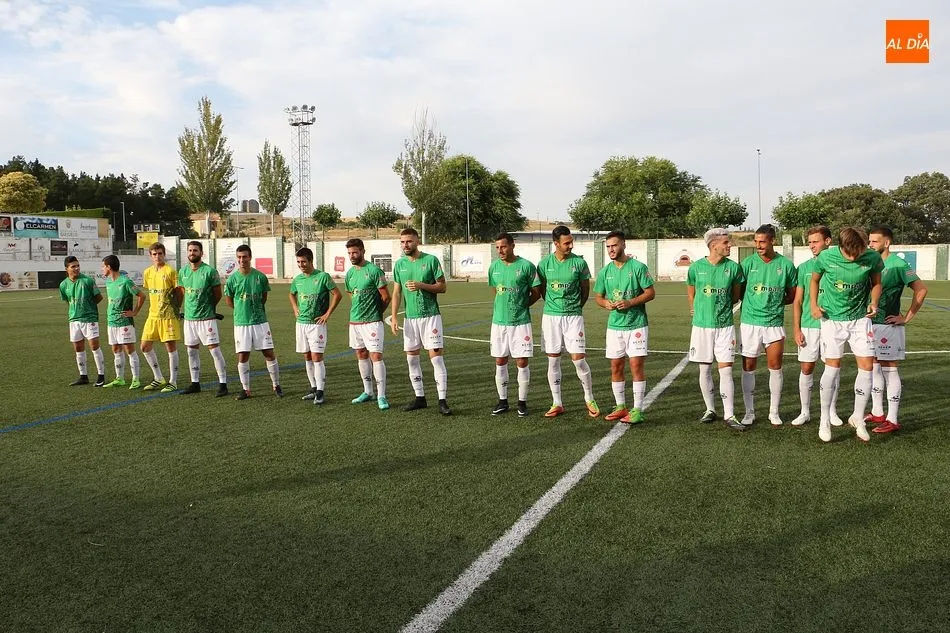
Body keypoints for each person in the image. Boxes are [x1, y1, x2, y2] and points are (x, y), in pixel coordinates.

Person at [810, 227, 884, 443]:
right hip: (832, 320)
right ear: (842, 247)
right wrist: (814, 306)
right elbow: (814, 280)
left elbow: (877, 282)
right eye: (852, 252)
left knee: (868, 368)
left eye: (860, 251)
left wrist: (874, 302)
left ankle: (858, 417)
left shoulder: (871, 257)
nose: (856, 256)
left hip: (860, 320)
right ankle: (824, 419)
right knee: (832, 369)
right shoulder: (826, 257)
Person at [866, 226, 928, 433]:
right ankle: (877, 412)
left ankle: (892, 419)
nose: (870, 244)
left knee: (889, 367)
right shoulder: (869, 262)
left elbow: (921, 290)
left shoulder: (898, 264)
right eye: (869, 241)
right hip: (868, 324)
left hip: (887, 325)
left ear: (887, 243)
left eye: (875, 241)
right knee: (873, 366)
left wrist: (906, 317)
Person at [593, 230, 655, 424]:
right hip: (614, 327)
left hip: (636, 325)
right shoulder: (605, 272)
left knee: (636, 365)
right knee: (616, 366)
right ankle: (621, 406)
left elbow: (650, 293)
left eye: (614, 245)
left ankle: (637, 409)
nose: (611, 250)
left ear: (623, 245)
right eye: (608, 247)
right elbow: (598, 298)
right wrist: (606, 304)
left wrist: (630, 302)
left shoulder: (637, 267)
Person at [686, 228, 746, 431]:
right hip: (702, 326)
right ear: (714, 246)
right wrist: (695, 309)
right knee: (704, 368)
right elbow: (691, 291)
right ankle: (710, 409)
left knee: (726, 369)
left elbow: (736, 296)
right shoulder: (695, 268)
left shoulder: (733, 268)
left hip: (725, 325)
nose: (730, 246)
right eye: (726, 243)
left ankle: (729, 414)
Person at [536, 225, 598, 418]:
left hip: (573, 316)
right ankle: (557, 402)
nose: (570, 246)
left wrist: (575, 307)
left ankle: (589, 398)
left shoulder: (579, 263)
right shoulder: (544, 264)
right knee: (553, 360)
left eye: (571, 242)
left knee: (579, 360)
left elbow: (585, 289)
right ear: (556, 244)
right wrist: (554, 306)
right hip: (551, 317)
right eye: (566, 243)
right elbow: (543, 289)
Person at [738, 224, 796, 426]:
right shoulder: (747, 263)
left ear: (772, 241)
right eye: (756, 241)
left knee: (775, 367)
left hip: (774, 323)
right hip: (750, 323)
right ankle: (749, 412)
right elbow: (740, 291)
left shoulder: (786, 265)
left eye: (762, 241)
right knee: (748, 367)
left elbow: (792, 294)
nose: (758, 245)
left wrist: (776, 304)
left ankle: (774, 412)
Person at [390, 227, 451, 415]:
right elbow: (397, 292)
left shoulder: (430, 260)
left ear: (417, 241)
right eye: (402, 242)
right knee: (411, 360)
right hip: (410, 319)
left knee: (436, 359)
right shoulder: (399, 264)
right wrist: (393, 317)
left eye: (408, 241)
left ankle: (442, 400)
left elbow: (442, 287)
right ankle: (420, 397)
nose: (405, 245)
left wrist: (421, 285)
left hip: (431, 317)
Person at [487, 232, 542, 417]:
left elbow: (536, 292)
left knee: (521, 361)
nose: (500, 250)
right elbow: (495, 289)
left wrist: (522, 305)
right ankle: (503, 401)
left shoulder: (526, 266)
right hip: (499, 322)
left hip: (521, 322)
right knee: (500, 360)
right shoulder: (494, 267)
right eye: (497, 247)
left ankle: (522, 402)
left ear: (512, 246)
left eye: (503, 246)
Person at [790, 226, 837, 427]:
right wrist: (796, 328)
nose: (811, 246)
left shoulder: (839, 264)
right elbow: (798, 301)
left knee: (832, 369)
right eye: (809, 242)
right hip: (809, 326)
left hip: (832, 324)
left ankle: (832, 412)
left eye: (815, 241)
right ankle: (805, 411)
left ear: (827, 241)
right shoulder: (804, 268)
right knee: (807, 367)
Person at [224, 244, 283, 400]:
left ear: (250, 257)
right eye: (239, 257)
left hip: (260, 321)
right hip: (241, 323)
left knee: (269, 353)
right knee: (243, 356)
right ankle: (246, 389)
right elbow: (229, 301)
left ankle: (276, 385)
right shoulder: (232, 279)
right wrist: (241, 311)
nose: (242, 260)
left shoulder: (260, 277)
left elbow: (264, 297)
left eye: (245, 257)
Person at [290, 246, 342, 405]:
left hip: (316, 324)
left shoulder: (322, 277)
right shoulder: (297, 279)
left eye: (304, 262)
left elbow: (337, 294)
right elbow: (291, 294)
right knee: (307, 356)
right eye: (298, 262)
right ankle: (313, 388)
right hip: (301, 324)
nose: (301, 265)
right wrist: (295, 308)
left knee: (317, 357)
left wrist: (327, 314)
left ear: (311, 260)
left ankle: (320, 390)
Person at [344, 239, 391, 410]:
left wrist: (378, 313)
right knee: (361, 354)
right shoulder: (349, 274)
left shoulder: (374, 271)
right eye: (349, 253)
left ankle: (381, 395)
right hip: (355, 321)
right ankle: (368, 391)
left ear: (363, 251)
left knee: (376, 356)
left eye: (355, 252)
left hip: (372, 321)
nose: (352, 256)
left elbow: (386, 297)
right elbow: (351, 294)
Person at [177, 241, 229, 397]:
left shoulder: (210, 271)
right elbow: (181, 291)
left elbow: (217, 294)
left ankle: (223, 384)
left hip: (207, 318)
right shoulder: (183, 271)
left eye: (195, 250)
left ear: (201, 253)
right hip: (189, 319)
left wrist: (209, 308)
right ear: (187, 252)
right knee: (191, 351)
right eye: (190, 250)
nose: (192, 253)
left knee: (214, 350)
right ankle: (195, 383)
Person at [140, 242, 182, 393]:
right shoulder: (147, 273)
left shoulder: (170, 271)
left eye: (160, 253)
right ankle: (158, 377)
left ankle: (173, 381)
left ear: (164, 254)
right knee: (144, 346)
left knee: (170, 348)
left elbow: (179, 292)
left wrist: (176, 309)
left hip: (168, 316)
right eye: (154, 254)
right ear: (150, 256)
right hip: (153, 316)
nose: (157, 256)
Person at [59, 255, 106, 386]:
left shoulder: (88, 281)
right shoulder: (63, 285)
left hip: (89, 318)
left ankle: (101, 376)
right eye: (73, 266)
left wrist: (88, 307)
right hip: (74, 319)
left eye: (77, 265)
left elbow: (99, 297)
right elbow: (68, 301)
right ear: (66, 269)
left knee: (94, 346)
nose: (76, 268)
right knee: (78, 348)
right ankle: (83, 376)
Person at [101, 255, 144, 389]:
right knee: (115, 349)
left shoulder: (125, 282)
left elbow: (142, 295)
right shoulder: (108, 282)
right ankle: (119, 378)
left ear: (109, 267)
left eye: (103, 266)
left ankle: (136, 379)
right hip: (111, 321)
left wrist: (135, 312)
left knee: (129, 350)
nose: (102, 269)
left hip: (124, 322)